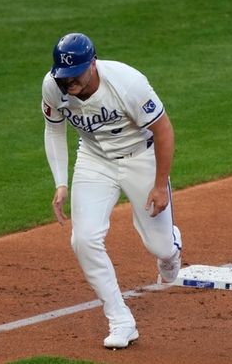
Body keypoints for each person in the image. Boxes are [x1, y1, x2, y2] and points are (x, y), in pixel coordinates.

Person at [41, 33, 182, 349]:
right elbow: (53, 129)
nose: (69, 82)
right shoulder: (53, 85)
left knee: (160, 249)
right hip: (95, 161)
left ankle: (172, 248)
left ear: (92, 63)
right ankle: (120, 320)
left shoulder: (127, 82)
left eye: (75, 73)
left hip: (141, 158)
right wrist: (61, 182)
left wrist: (160, 185)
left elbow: (163, 129)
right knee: (84, 239)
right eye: (64, 76)